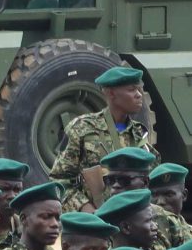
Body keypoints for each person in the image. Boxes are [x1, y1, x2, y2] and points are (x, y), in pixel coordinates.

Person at [49, 67, 157, 209]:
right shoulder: (82, 128)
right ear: (112, 94)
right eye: (132, 90)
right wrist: (85, 207)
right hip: (95, 218)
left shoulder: (139, 133)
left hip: (134, 216)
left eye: (139, 90)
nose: (139, 95)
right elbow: (59, 180)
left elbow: (153, 177)